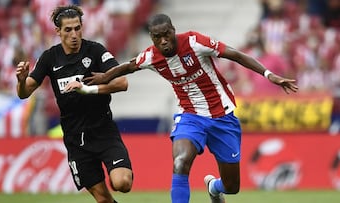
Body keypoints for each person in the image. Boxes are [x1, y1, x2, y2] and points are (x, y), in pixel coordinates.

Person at [67, 13, 298, 203]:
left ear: (173, 30)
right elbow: (128, 66)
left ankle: (213, 188)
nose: (164, 41)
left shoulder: (195, 42)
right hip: (190, 116)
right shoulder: (151, 56)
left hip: (222, 116)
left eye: (167, 35)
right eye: (158, 37)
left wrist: (270, 75)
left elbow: (235, 55)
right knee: (180, 162)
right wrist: (104, 77)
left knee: (232, 186)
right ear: (152, 38)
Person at [16, 5, 133, 203]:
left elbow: (122, 83)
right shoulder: (49, 58)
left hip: (104, 132)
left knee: (122, 183)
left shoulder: (95, 51)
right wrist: (21, 80)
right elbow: (24, 93)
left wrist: (87, 89)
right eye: (68, 30)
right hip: (75, 140)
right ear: (58, 31)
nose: (74, 34)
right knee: (103, 199)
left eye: (77, 28)